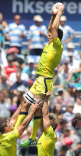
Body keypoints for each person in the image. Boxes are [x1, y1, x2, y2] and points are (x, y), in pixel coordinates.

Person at [20, 5, 64, 147]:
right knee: (25, 103)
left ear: (56, 36)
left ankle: (34, 137)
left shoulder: (57, 46)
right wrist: (52, 16)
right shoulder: (48, 44)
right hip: (39, 79)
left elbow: (54, 28)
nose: (48, 34)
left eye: (50, 33)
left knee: (39, 109)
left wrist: (59, 14)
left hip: (44, 81)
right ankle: (22, 133)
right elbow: (51, 27)